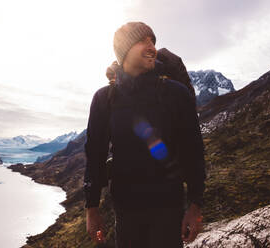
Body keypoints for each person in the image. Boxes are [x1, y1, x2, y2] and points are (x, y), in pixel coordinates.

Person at [84, 22, 206, 248]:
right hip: (125, 210)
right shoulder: (104, 99)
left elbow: (193, 152)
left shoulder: (175, 94)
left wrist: (195, 206)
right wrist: (92, 209)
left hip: (168, 209)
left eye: (153, 41)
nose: (152, 47)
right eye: (143, 41)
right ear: (124, 50)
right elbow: (95, 154)